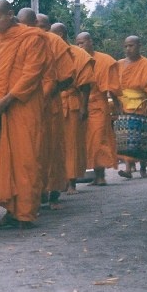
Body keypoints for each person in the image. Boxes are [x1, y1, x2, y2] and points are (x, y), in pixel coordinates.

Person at [0, 0, 47, 229]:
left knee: (26, 160)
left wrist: (7, 100)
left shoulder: (33, 38)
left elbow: (31, 75)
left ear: (10, 15)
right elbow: (2, 74)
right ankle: (12, 210)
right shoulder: (3, 40)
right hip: (4, 106)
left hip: (24, 105)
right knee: (6, 159)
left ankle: (27, 213)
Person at [17, 9, 75, 210]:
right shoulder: (19, 41)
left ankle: (54, 194)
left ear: (47, 28)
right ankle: (36, 192)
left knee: (52, 150)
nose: (34, 30)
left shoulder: (54, 42)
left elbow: (69, 77)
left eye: (39, 26)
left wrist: (48, 91)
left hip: (49, 105)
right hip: (25, 104)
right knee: (33, 151)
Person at [51, 23, 94, 194]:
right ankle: (57, 182)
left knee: (72, 144)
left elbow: (85, 84)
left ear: (60, 34)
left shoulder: (78, 54)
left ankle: (71, 182)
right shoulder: (49, 51)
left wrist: (84, 106)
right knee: (55, 145)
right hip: (54, 103)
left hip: (73, 103)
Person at [76, 32, 121, 186]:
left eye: (82, 43)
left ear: (91, 42)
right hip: (80, 105)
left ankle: (101, 175)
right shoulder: (76, 60)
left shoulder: (105, 61)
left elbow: (113, 88)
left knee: (98, 140)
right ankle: (96, 175)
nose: (80, 46)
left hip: (99, 106)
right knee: (85, 141)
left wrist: (118, 107)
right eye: (78, 43)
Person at [116, 35, 147, 179]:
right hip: (123, 103)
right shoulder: (119, 64)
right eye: (126, 46)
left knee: (141, 136)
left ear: (139, 46)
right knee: (126, 136)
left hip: (142, 104)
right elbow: (114, 85)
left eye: (131, 45)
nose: (128, 49)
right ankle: (128, 168)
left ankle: (142, 168)